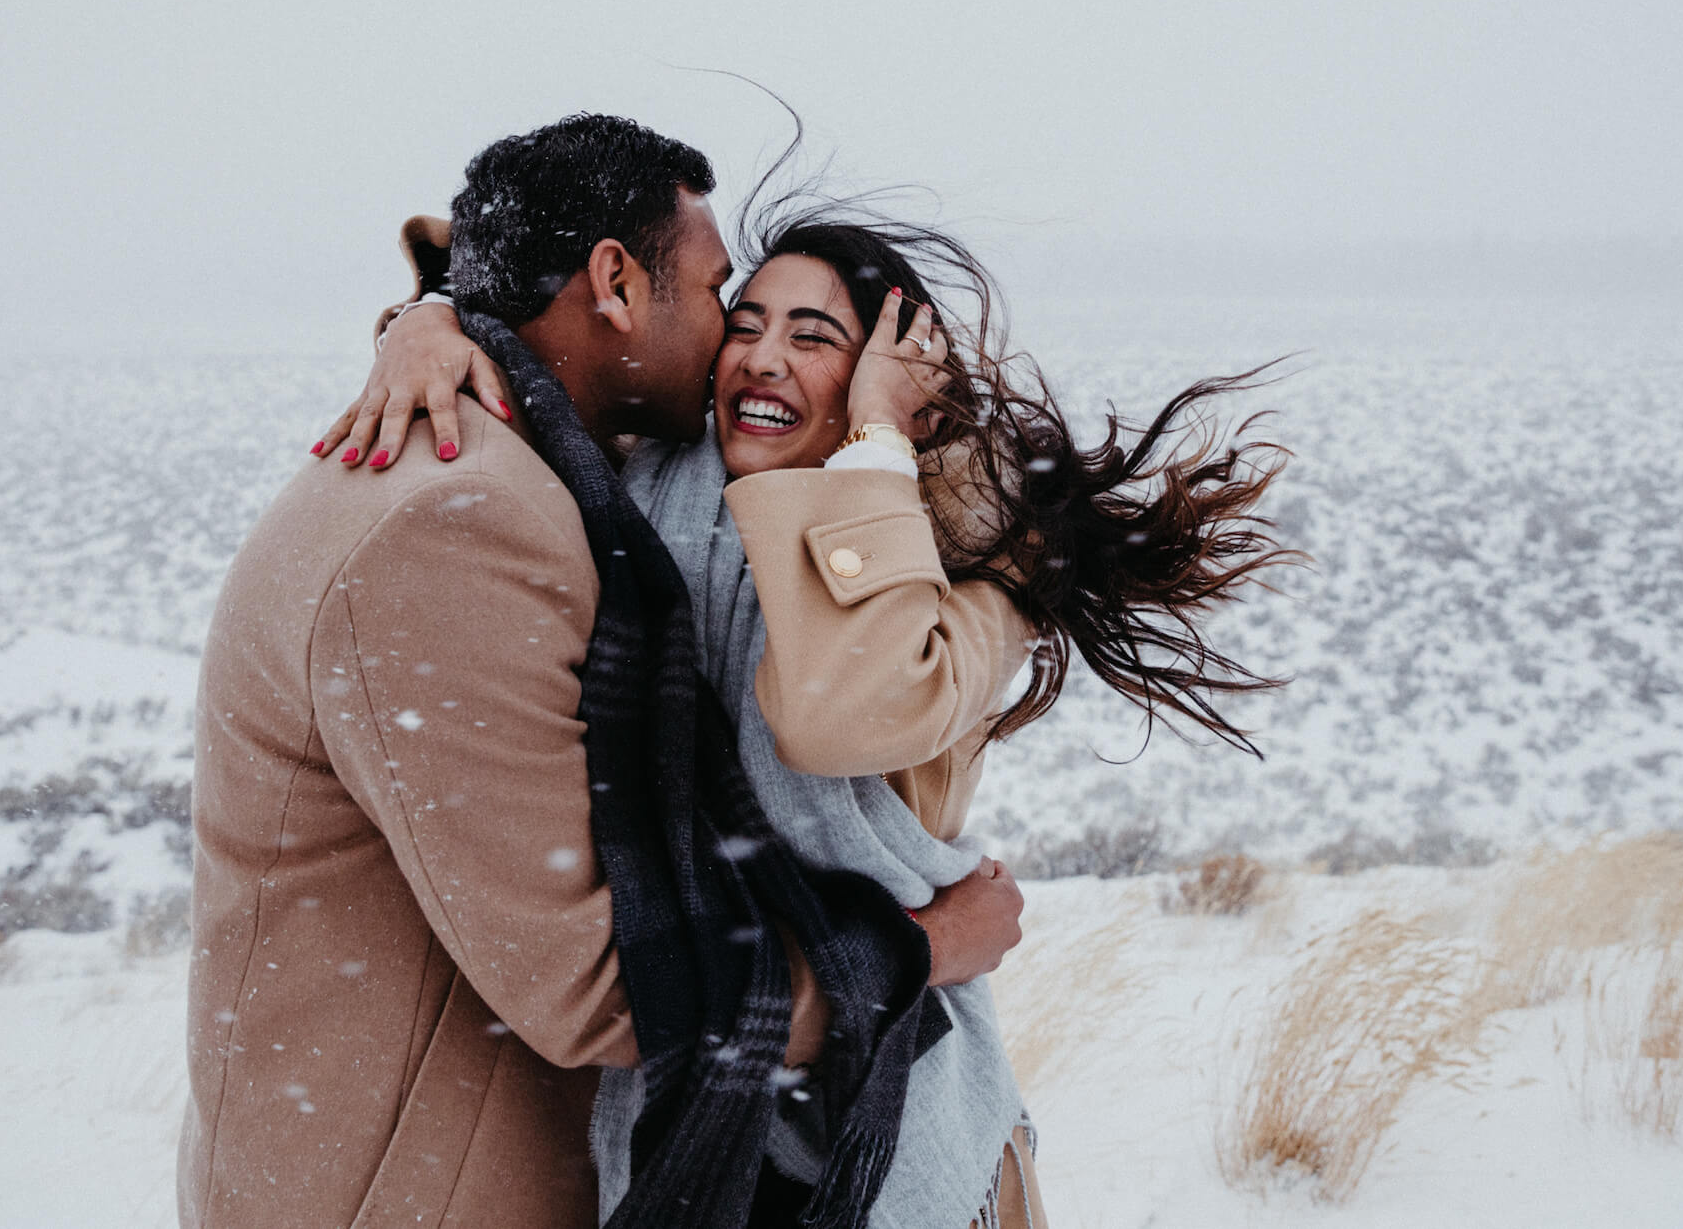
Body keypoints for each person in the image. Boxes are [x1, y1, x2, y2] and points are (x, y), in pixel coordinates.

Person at [330, 184, 1296, 1228]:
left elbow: (835, 715)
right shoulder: (652, 492)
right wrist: (424, 324)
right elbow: (524, 302)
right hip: (698, 1080)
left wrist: (876, 441)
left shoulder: (975, 587)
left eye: (814, 337)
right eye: (742, 325)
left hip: (879, 1090)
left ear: (891, 380)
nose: (762, 358)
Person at [180, 115, 1027, 1229]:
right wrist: (916, 951)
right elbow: (594, 985)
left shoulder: (546, 459)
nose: (739, 339)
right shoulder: (463, 512)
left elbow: (491, 264)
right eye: (725, 293)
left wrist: (434, 315)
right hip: (407, 1187)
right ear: (617, 283)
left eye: (806, 333)